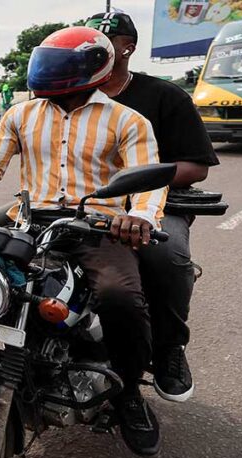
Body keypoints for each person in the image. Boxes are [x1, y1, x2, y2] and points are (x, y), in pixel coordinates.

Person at [0, 26, 167, 456]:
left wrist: (139, 217)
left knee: (120, 298)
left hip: (98, 228)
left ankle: (129, 392)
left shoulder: (127, 120)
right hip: (30, 223)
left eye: (63, 66)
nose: (52, 74)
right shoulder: (21, 115)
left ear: (96, 67)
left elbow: (147, 179)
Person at [86, 11, 219, 403]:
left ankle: (169, 349)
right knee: (3, 236)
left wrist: (135, 179)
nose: (97, 46)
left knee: (167, 254)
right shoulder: (69, 93)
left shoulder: (165, 97)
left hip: (154, 202)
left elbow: (196, 167)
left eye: (108, 40)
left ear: (129, 47)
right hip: (84, 200)